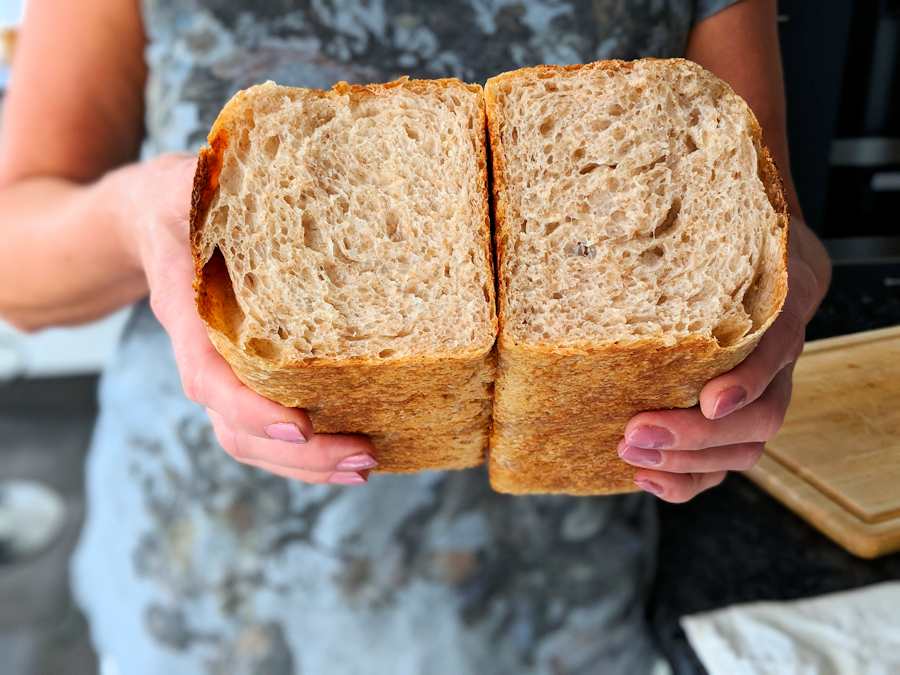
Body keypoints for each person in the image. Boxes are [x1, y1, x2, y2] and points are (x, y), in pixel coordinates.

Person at [0, 1, 831, 673]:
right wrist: (137, 212)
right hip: (215, 594)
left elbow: (766, 216)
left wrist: (773, 306)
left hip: (557, 595)